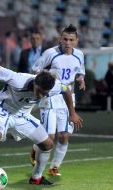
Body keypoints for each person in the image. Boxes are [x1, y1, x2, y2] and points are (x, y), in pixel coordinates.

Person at [0, 65, 83, 185]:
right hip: (3, 109)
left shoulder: (53, 86)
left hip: (22, 116)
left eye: (45, 93)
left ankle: (36, 178)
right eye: (40, 91)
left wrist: (72, 113)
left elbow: (66, 90)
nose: (42, 95)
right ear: (35, 83)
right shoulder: (18, 80)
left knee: (48, 144)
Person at [31, 24, 86, 176]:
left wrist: (81, 79)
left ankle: (54, 166)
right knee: (50, 137)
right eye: (65, 39)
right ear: (59, 39)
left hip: (68, 97)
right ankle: (36, 148)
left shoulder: (79, 55)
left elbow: (80, 72)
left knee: (64, 136)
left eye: (71, 40)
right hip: (51, 97)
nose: (68, 43)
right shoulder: (50, 53)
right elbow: (35, 69)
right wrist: (42, 82)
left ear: (76, 40)